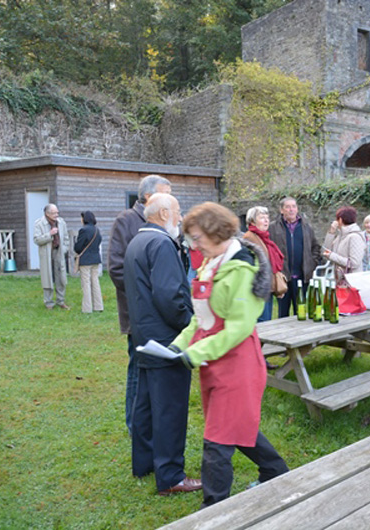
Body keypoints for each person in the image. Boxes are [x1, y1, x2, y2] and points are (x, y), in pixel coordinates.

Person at [169, 202, 289, 508]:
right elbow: (200, 318)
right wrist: (178, 346)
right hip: (214, 362)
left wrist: (197, 352)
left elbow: (239, 328)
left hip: (238, 365)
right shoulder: (211, 263)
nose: (193, 244)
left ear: (216, 232)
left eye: (197, 237)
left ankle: (214, 510)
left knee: (217, 441)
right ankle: (276, 471)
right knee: (234, 426)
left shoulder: (241, 269)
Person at [123, 193, 199, 496]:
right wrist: (190, 324)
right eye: (178, 211)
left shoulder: (137, 241)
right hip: (167, 340)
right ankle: (170, 476)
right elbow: (170, 296)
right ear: (164, 212)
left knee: (145, 405)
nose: (181, 218)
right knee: (170, 408)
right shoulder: (161, 243)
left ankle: (144, 463)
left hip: (144, 335)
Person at [108, 175, 172, 434]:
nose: (170, 199)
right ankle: (135, 425)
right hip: (138, 313)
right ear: (147, 196)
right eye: (165, 193)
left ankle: (151, 422)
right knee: (138, 370)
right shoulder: (126, 220)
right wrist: (144, 299)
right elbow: (116, 269)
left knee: (157, 371)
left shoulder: (164, 222)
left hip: (161, 314)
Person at [269, 197, 323, 318]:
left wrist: (312, 263)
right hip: (282, 277)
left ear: (297, 209)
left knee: (301, 312)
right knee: (283, 314)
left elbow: (315, 247)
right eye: (287, 207)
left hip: (301, 276)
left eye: (293, 206)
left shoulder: (306, 226)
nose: (291, 209)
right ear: (281, 210)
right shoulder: (273, 227)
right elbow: (269, 248)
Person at [242, 206, 286, 322]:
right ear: (252, 221)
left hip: (267, 287)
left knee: (267, 320)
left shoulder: (264, 238)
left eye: (267, 217)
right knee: (262, 322)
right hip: (258, 288)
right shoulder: (249, 237)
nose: (266, 220)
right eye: (262, 218)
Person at [33, 203, 70, 310]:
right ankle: (48, 302)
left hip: (59, 252)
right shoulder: (39, 224)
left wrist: (64, 249)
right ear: (47, 213)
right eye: (54, 213)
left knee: (61, 277)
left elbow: (66, 238)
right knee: (47, 278)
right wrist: (49, 234)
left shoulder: (61, 222)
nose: (56, 215)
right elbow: (37, 240)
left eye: (57, 212)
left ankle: (61, 301)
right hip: (47, 254)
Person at [323, 206, 366, 288]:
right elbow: (325, 251)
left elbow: (354, 263)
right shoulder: (341, 236)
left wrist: (332, 256)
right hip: (340, 283)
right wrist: (331, 232)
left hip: (351, 284)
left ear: (340, 220)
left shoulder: (355, 237)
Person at [73, 210, 104, 314]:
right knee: (95, 282)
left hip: (85, 260)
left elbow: (78, 247)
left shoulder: (83, 230)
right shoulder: (97, 230)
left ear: (84, 219)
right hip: (95, 259)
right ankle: (98, 306)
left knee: (86, 284)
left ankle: (87, 308)